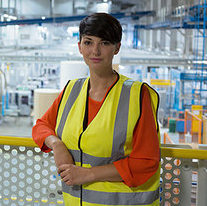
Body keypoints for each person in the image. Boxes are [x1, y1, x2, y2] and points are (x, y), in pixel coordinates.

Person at [32, 13, 160, 206]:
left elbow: (146, 161)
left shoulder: (136, 95)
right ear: (79, 47)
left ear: (117, 48)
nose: (95, 51)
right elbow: (41, 126)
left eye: (105, 43)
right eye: (88, 42)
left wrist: (88, 174)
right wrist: (56, 145)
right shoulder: (71, 90)